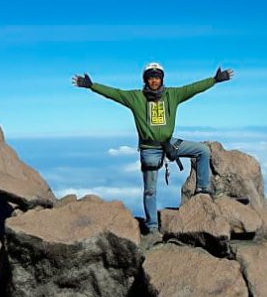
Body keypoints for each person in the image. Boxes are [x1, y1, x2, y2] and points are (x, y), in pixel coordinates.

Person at [71, 62, 234, 234]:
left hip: (169, 143)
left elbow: (193, 88)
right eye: (151, 78)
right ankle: (152, 227)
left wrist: (214, 80)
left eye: (157, 77)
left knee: (203, 151)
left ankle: (202, 191)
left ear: (161, 79)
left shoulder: (173, 94)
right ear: (145, 80)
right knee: (150, 191)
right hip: (150, 149)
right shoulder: (136, 97)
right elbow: (114, 94)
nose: (154, 81)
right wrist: (92, 86)